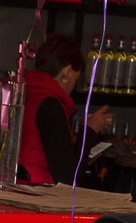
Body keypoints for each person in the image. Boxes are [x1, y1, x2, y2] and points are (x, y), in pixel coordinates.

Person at [15, 34, 92, 187]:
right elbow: (68, 176)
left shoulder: (20, 93)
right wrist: (89, 130)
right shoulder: (50, 105)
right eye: (75, 79)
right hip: (38, 193)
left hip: (12, 187)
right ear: (67, 72)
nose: (73, 86)